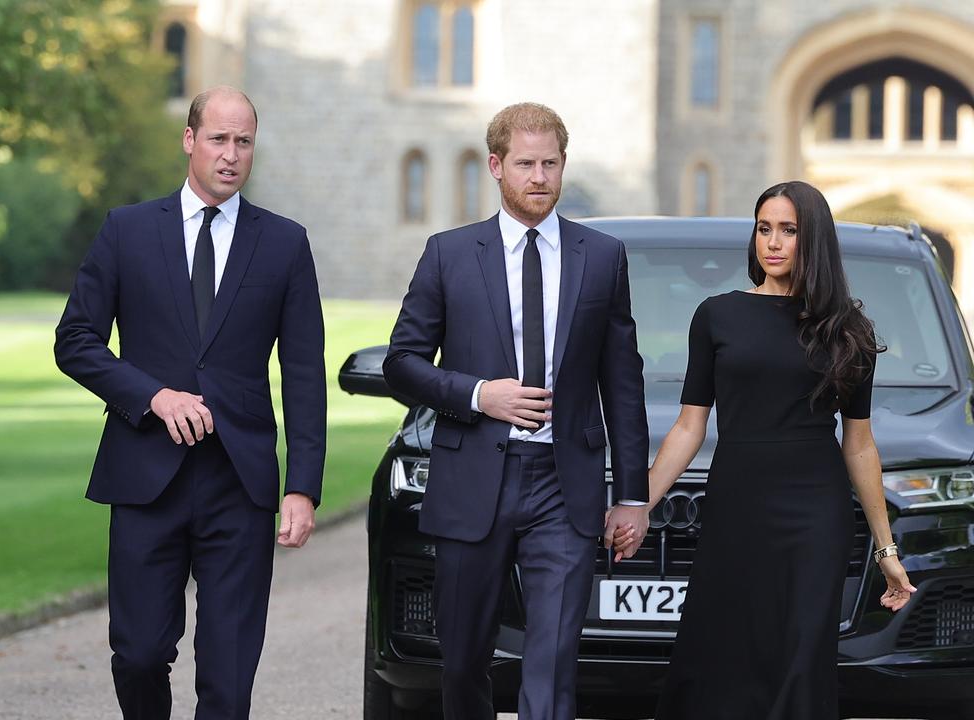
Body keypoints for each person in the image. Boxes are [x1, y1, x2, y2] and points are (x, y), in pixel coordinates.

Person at [54, 86, 326, 719]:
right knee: (141, 655)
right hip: (146, 476)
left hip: (241, 482)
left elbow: (304, 374)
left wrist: (302, 487)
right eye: (218, 139)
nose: (230, 155)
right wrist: (152, 396)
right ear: (189, 140)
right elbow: (75, 341)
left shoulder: (285, 243)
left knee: (229, 680)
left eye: (243, 142)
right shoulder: (127, 230)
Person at [383, 102, 650, 720]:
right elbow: (403, 362)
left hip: (565, 484)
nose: (539, 177)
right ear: (496, 166)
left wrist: (632, 494)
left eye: (550, 163)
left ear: (563, 166)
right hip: (474, 476)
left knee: (553, 659)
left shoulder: (603, 257)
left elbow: (623, 381)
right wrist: (480, 395)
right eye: (525, 163)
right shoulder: (449, 253)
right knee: (463, 656)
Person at [640, 180, 915, 719]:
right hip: (736, 507)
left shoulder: (848, 331)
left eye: (789, 231)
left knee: (801, 657)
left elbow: (858, 445)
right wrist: (638, 504)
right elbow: (688, 427)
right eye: (764, 228)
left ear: (813, 240)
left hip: (815, 515)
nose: (773, 242)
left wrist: (886, 551)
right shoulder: (717, 315)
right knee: (721, 652)